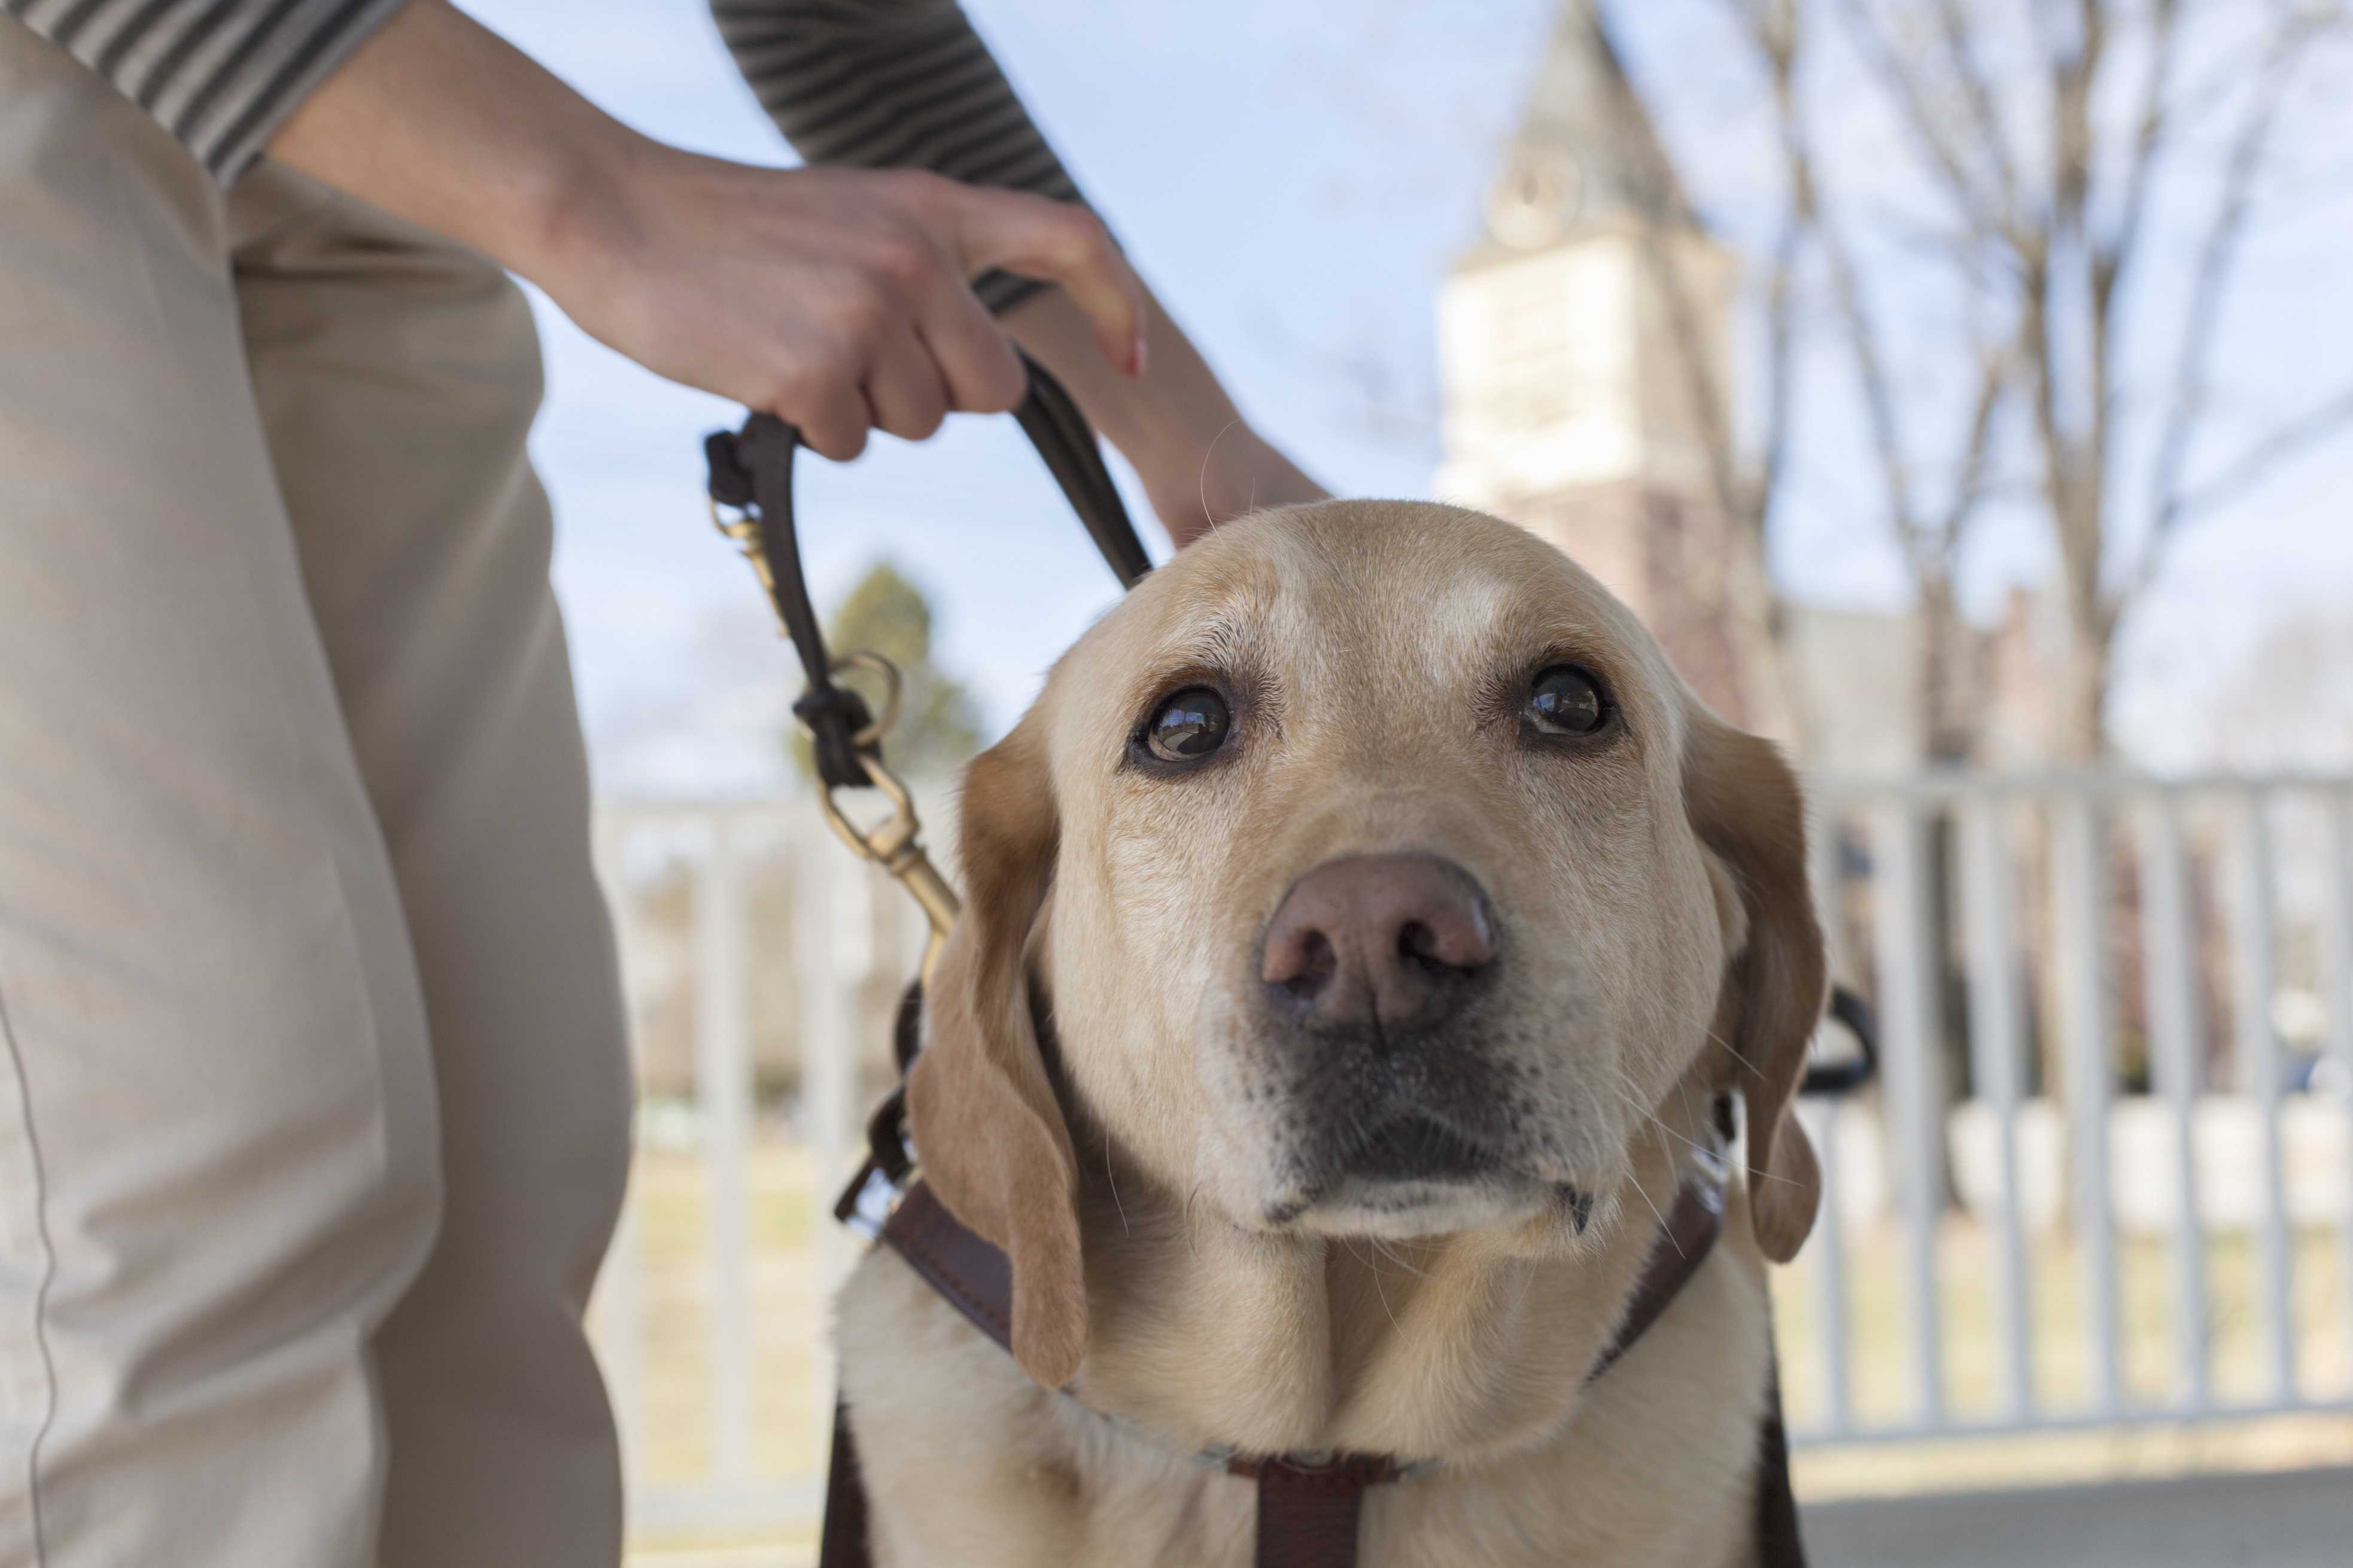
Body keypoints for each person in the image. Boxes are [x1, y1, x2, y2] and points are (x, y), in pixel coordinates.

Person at [0, 2, 1320, 1563]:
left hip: (373, 136)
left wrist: (1201, 452)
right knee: (210, 1184)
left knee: (513, 1178)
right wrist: (597, 200)